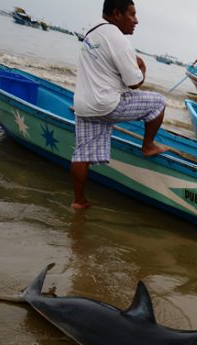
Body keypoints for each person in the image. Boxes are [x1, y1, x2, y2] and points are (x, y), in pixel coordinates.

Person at [70, 0, 168, 210]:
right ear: (116, 14)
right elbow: (134, 83)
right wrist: (142, 68)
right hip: (108, 104)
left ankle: (79, 201)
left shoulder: (92, 31)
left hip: (84, 105)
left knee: (81, 154)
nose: (136, 21)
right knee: (159, 103)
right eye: (132, 15)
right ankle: (148, 146)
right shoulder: (117, 38)